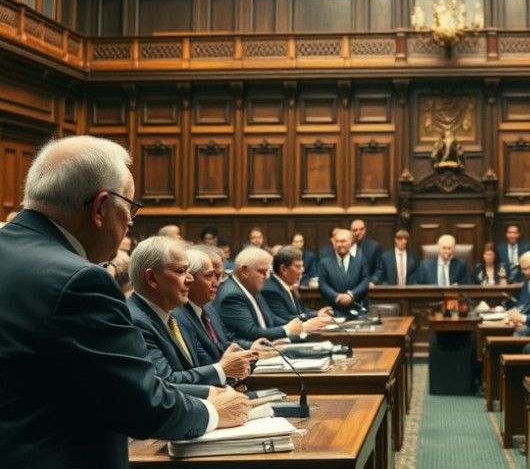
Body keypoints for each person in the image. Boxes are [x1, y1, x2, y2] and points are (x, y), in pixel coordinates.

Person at [0, 135, 249, 468]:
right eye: (130, 208)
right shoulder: (80, 281)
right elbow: (142, 405)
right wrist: (212, 411)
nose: (130, 222)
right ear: (101, 207)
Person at [127, 237, 257, 396]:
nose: (190, 279)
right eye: (181, 271)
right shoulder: (135, 322)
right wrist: (221, 371)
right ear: (152, 278)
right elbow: (165, 384)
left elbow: (191, 371)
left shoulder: (171, 316)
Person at [216, 247, 323, 341]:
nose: (267, 277)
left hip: (271, 347)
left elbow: (272, 319)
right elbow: (250, 333)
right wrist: (287, 330)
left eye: (268, 272)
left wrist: (300, 326)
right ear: (244, 271)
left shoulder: (252, 289)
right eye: (262, 272)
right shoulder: (232, 295)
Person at [262, 245, 332, 323]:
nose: (302, 270)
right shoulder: (270, 290)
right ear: (283, 269)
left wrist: (318, 313)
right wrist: (316, 317)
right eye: (298, 267)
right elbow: (285, 319)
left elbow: (302, 310)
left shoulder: (288, 285)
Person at [318, 228, 371, 318]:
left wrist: (351, 295)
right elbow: (322, 284)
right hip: (333, 311)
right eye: (337, 241)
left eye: (343, 241)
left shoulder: (361, 261)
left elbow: (365, 281)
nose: (339, 244)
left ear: (351, 242)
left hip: (357, 310)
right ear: (333, 242)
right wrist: (337, 296)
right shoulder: (324, 262)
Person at [350, 219, 385, 286]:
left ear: (365, 230)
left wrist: (373, 281)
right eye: (355, 230)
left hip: (368, 285)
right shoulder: (347, 246)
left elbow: (379, 269)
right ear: (351, 231)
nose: (358, 232)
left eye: (361, 229)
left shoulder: (374, 246)